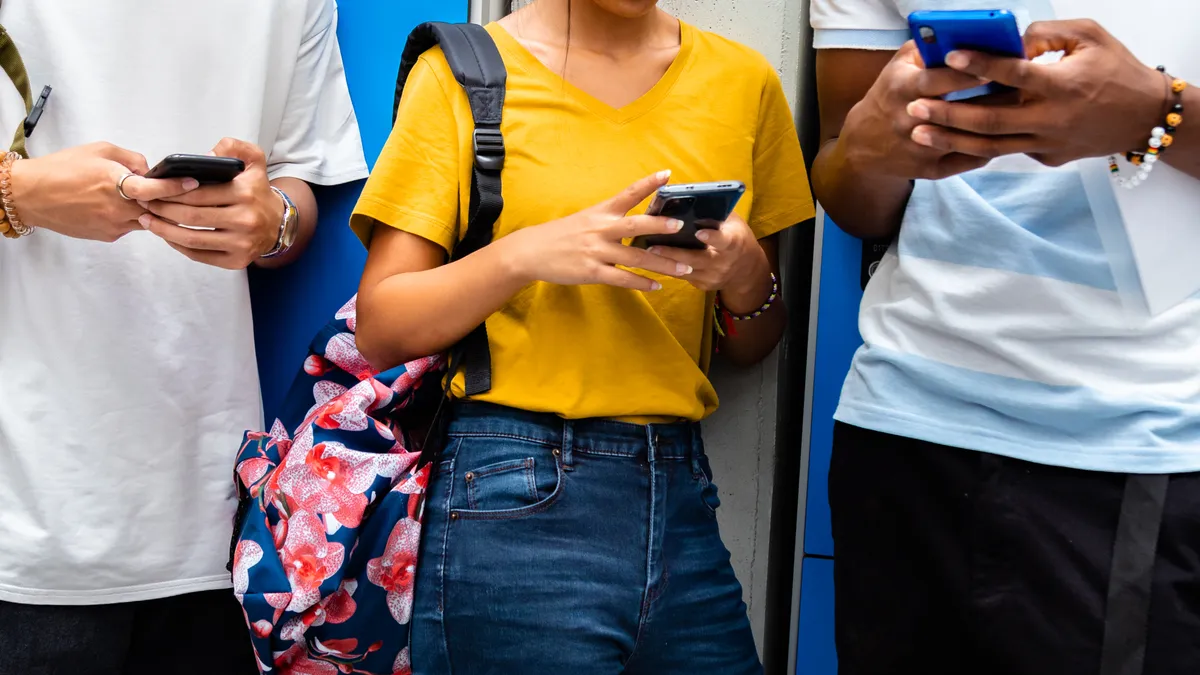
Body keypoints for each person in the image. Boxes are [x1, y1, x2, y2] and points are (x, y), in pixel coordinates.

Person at [350, 0, 813, 672]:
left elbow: (753, 341)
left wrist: (746, 275)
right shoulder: (466, 74)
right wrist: (524, 254)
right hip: (513, 487)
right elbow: (383, 325)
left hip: (683, 492)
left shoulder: (745, 82)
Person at [810, 1, 1199, 674]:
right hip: (906, 416)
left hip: (1137, 432)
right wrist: (870, 148)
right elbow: (851, 188)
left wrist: (1157, 112)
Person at [0, 0, 367, 672]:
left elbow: (296, 182)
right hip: (22, 527)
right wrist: (17, 191)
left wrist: (271, 221)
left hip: (213, 528)